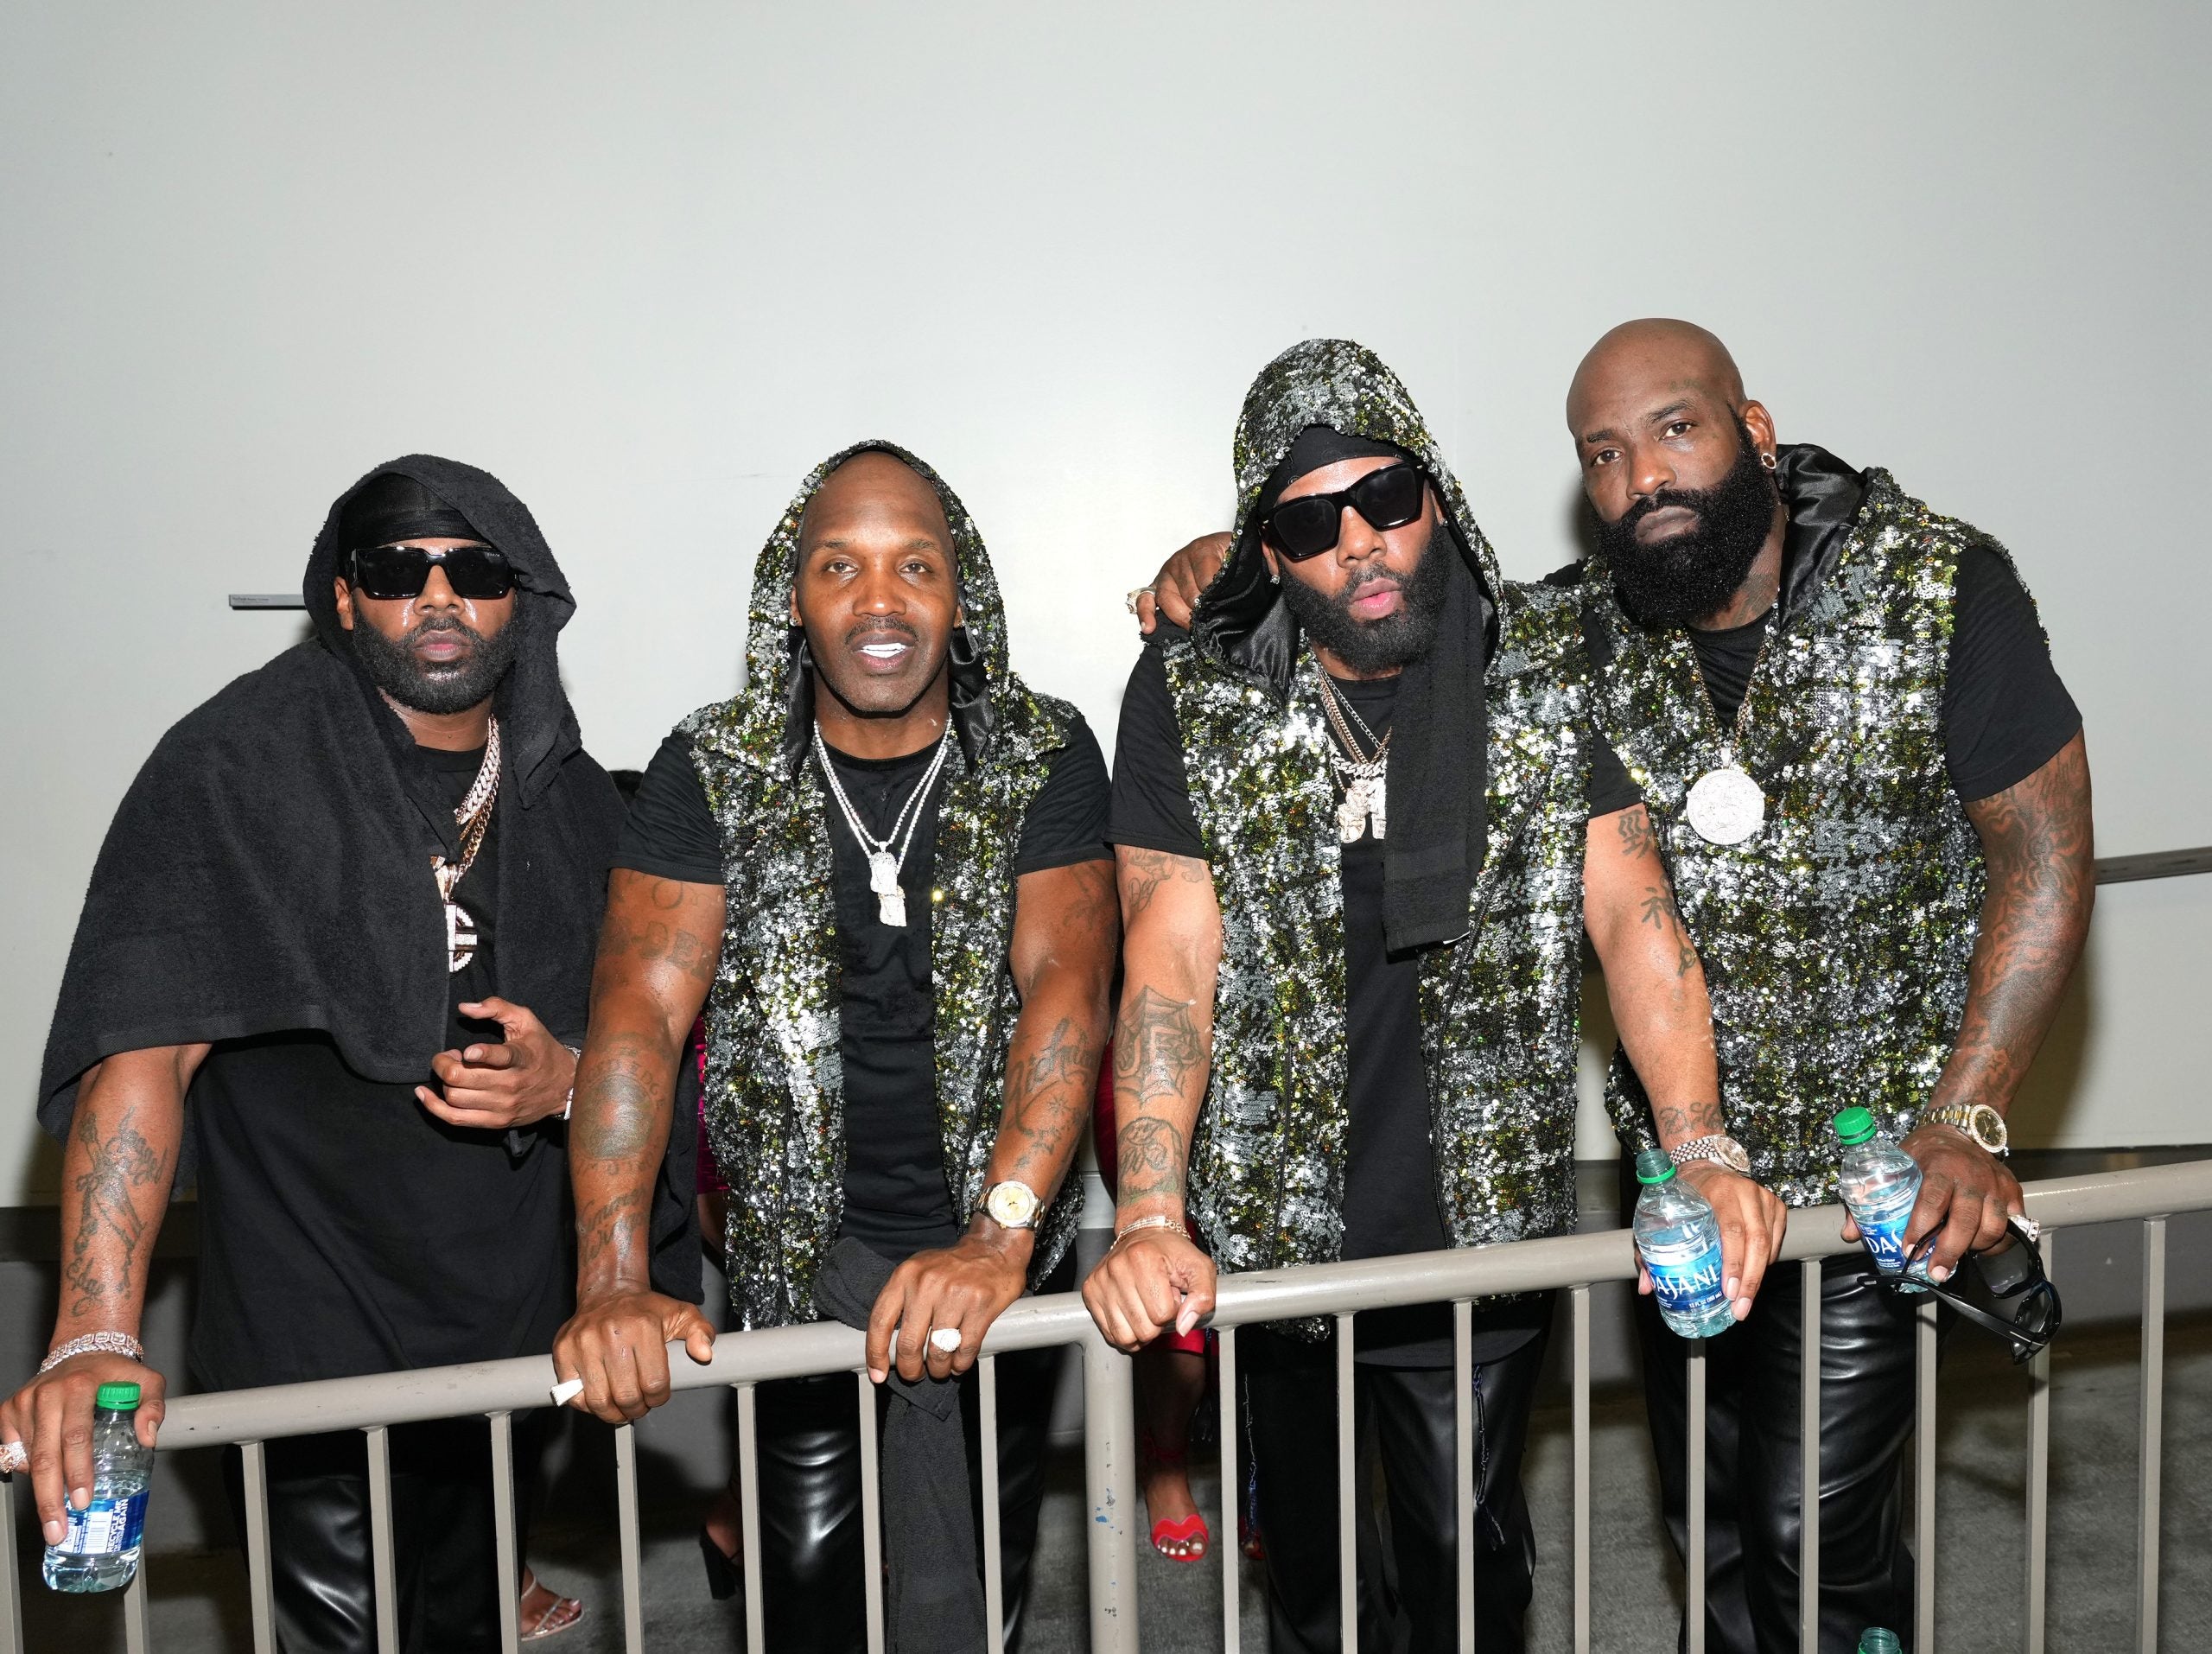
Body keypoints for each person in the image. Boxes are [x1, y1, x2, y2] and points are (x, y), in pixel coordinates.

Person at [1084, 339, 1747, 1653]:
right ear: (1268, 551)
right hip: (1280, 1243)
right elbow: (1169, 953)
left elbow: (1634, 917)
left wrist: (1701, 1150)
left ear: (1434, 493)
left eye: (1385, 497)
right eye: (1310, 522)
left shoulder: (1542, 669)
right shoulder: (1194, 696)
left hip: (1480, 1239)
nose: (1360, 543)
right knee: (1316, 1594)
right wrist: (1151, 1210)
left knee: (1470, 1585)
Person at [3, 461, 624, 1651]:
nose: (436, 596)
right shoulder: (230, 768)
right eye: (395, 569)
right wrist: (93, 1330)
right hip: (310, 1325)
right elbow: (143, 1049)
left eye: (473, 568)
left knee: (467, 1621)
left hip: (510, 1319)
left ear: (522, 597)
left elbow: (642, 1045)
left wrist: (572, 1078)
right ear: (343, 597)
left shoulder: (572, 795)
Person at [1555, 319, 2093, 1651]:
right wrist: (1224, 576)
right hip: (1688, 1186)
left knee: (1816, 1543)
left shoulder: (1936, 584)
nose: (1642, 476)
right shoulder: (1572, 633)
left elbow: (2042, 854)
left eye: (1675, 428)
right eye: (1604, 454)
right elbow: (1385, 616)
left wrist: (1967, 1112)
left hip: (1876, 1184)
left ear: (1754, 429)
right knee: (1711, 1523)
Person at [550, 444, 1117, 1652]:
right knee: (808, 1592)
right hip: (795, 1278)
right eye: (839, 567)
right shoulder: (715, 767)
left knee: (984, 1584)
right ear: (792, 596)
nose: (878, 601)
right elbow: (638, 1015)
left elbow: (1066, 988)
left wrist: (999, 1234)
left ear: (962, 592)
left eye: (915, 565)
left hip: (998, 1264)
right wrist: (610, 1277)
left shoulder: (1041, 750)